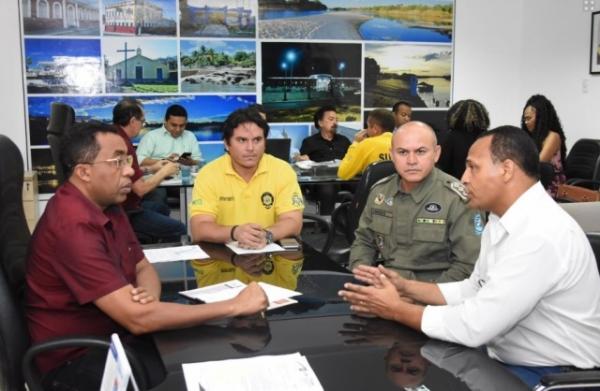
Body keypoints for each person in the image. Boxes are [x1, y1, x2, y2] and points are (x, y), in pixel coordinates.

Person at [340, 126, 600, 388]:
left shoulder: (540, 233)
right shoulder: (500, 220)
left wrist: (395, 309)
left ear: (507, 170)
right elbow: (473, 288)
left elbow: (475, 325)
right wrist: (406, 287)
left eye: (473, 168)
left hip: (553, 375)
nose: (464, 178)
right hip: (502, 357)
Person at [25, 121, 268, 390]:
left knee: (214, 350)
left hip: (119, 337)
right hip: (78, 361)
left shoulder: (108, 205)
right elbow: (138, 320)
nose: (130, 170)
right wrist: (235, 305)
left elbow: (142, 266)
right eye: (117, 162)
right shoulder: (71, 225)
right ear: (84, 172)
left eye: (128, 159)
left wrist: (148, 302)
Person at [349, 121, 482, 282]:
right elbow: (364, 241)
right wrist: (363, 276)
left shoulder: (458, 198)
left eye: (420, 151)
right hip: (386, 286)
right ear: (392, 154)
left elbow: (467, 266)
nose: (411, 160)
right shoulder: (380, 192)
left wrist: (415, 295)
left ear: (436, 153)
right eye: (403, 152)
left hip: (436, 294)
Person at [189, 107, 304, 249]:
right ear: (226, 143)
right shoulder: (208, 174)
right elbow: (199, 228)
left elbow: (293, 221)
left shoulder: (283, 170)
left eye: (257, 140)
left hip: (270, 255)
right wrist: (235, 232)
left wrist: (267, 235)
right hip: (222, 259)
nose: (251, 148)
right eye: (242, 140)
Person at [112, 98, 186, 242]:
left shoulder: (113, 135)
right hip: (124, 210)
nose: (142, 126)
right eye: (142, 122)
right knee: (179, 228)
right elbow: (140, 189)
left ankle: (146, 244)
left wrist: (152, 168)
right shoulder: (123, 144)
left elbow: (129, 173)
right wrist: (163, 172)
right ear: (133, 121)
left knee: (162, 209)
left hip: (122, 205)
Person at [297, 105, 352, 214]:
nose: (335, 122)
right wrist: (302, 160)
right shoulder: (309, 142)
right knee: (328, 189)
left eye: (336, 119)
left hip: (343, 179)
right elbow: (303, 166)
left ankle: (352, 224)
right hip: (320, 182)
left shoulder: (344, 140)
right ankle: (327, 226)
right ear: (320, 123)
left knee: (360, 186)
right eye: (331, 119)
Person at [521, 94, 567, 197]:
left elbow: (539, 164)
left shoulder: (553, 137)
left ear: (540, 118)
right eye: (525, 119)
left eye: (529, 118)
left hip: (552, 185)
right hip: (536, 183)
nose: (526, 122)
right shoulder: (530, 137)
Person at [136, 104, 202, 168]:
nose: (178, 129)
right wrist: (165, 161)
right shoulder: (151, 136)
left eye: (182, 125)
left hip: (185, 177)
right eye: (174, 125)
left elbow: (199, 161)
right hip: (158, 177)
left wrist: (191, 162)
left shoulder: (190, 136)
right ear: (165, 121)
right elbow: (138, 160)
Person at [438, 99, 490, 179]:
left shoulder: (449, 138)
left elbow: (441, 169)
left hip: (454, 187)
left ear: (453, 115)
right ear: (482, 115)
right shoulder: (490, 138)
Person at [337, 109, 395, 180]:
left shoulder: (366, 144)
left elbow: (343, 174)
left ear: (375, 129)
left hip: (374, 190)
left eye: (368, 126)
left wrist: (356, 143)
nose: (367, 130)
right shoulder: (402, 144)